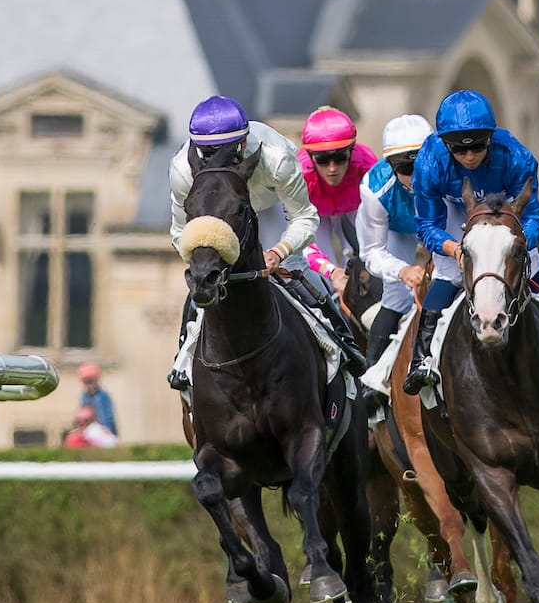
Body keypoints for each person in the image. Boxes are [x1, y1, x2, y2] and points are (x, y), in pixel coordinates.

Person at [403, 87, 539, 392]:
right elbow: (428, 225)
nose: (469, 156)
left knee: (534, 268)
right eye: (459, 149)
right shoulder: (430, 162)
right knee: (446, 275)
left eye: (478, 147)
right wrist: (454, 248)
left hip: (505, 212)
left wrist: (518, 243)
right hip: (457, 213)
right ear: (445, 145)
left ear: (491, 139)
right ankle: (421, 361)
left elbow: (535, 215)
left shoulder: (515, 157)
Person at [166, 92, 366, 392]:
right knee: (201, 285)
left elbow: (305, 217)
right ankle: (183, 359)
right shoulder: (183, 170)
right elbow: (180, 233)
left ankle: (344, 345)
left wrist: (278, 252)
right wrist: (211, 256)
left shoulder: (276, 157)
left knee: (302, 276)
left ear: (243, 144)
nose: (220, 163)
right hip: (220, 218)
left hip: (269, 207)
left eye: (227, 153)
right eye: (210, 155)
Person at [356, 113, 433, 397]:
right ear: (389, 166)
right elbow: (373, 252)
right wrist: (403, 270)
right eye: (404, 167)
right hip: (397, 230)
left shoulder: (450, 173)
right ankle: (373, 378)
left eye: (421, 164)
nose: (415, 176)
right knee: (397, 296)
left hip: (439, 224)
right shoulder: (375, 188)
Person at [296, 106, 378, 289]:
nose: (332, 169)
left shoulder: (368, 166)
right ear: (310, 157)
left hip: (354, 207)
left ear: (351, 152)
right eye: (323, 160)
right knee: (325, 274)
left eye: (340, 158)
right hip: (315, 212)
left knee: (360, 256)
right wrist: (330, 270)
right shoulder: (299, 175)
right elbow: (300, 239)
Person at [77, 361, 117, 435]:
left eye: (90, 381)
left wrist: (107, 429)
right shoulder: (84, 396)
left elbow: (108, 415)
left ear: (96, 380)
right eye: (86, 382)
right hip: (89, 431)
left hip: (104, 431)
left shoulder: (103, 396)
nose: (89, 385)